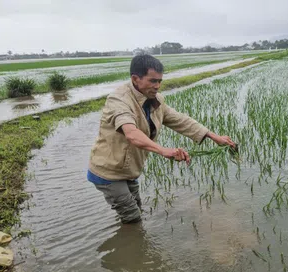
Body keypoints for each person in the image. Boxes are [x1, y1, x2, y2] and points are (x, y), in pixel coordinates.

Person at [87, 54, 236, 224]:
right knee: (132, 217)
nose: (157, 86)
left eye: (160, 81)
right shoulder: (119, 100)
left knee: (136, 208)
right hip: (109, 171)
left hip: (130, 168)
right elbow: (131, 133)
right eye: (152, 81)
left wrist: (215, 137)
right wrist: (165, 151)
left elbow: (180, 120)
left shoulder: (155, 100)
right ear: (136, 79)